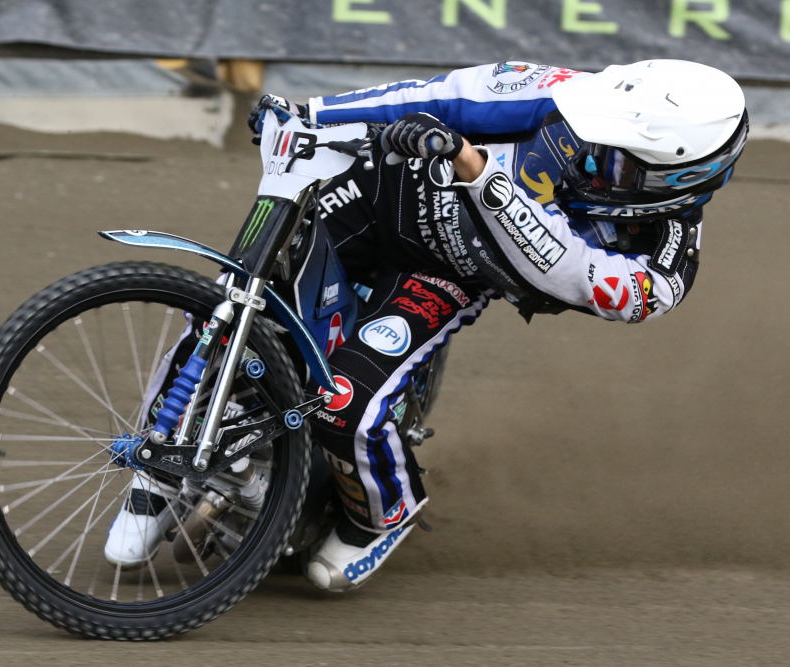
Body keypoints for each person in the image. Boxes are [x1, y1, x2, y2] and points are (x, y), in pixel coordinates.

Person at [105, 60, 748, 591]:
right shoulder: (567, 93)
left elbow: (566, 272)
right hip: (376, 194)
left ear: (678, 181)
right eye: (590, 138)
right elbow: (441, 95)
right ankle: (158, 463)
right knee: (231, 301)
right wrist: (311, 113)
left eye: (614, 163)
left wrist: (479, 171)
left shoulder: (664, 268)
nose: (587, 157)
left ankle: (382, 513)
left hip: (445, 274)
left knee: (342, 404)